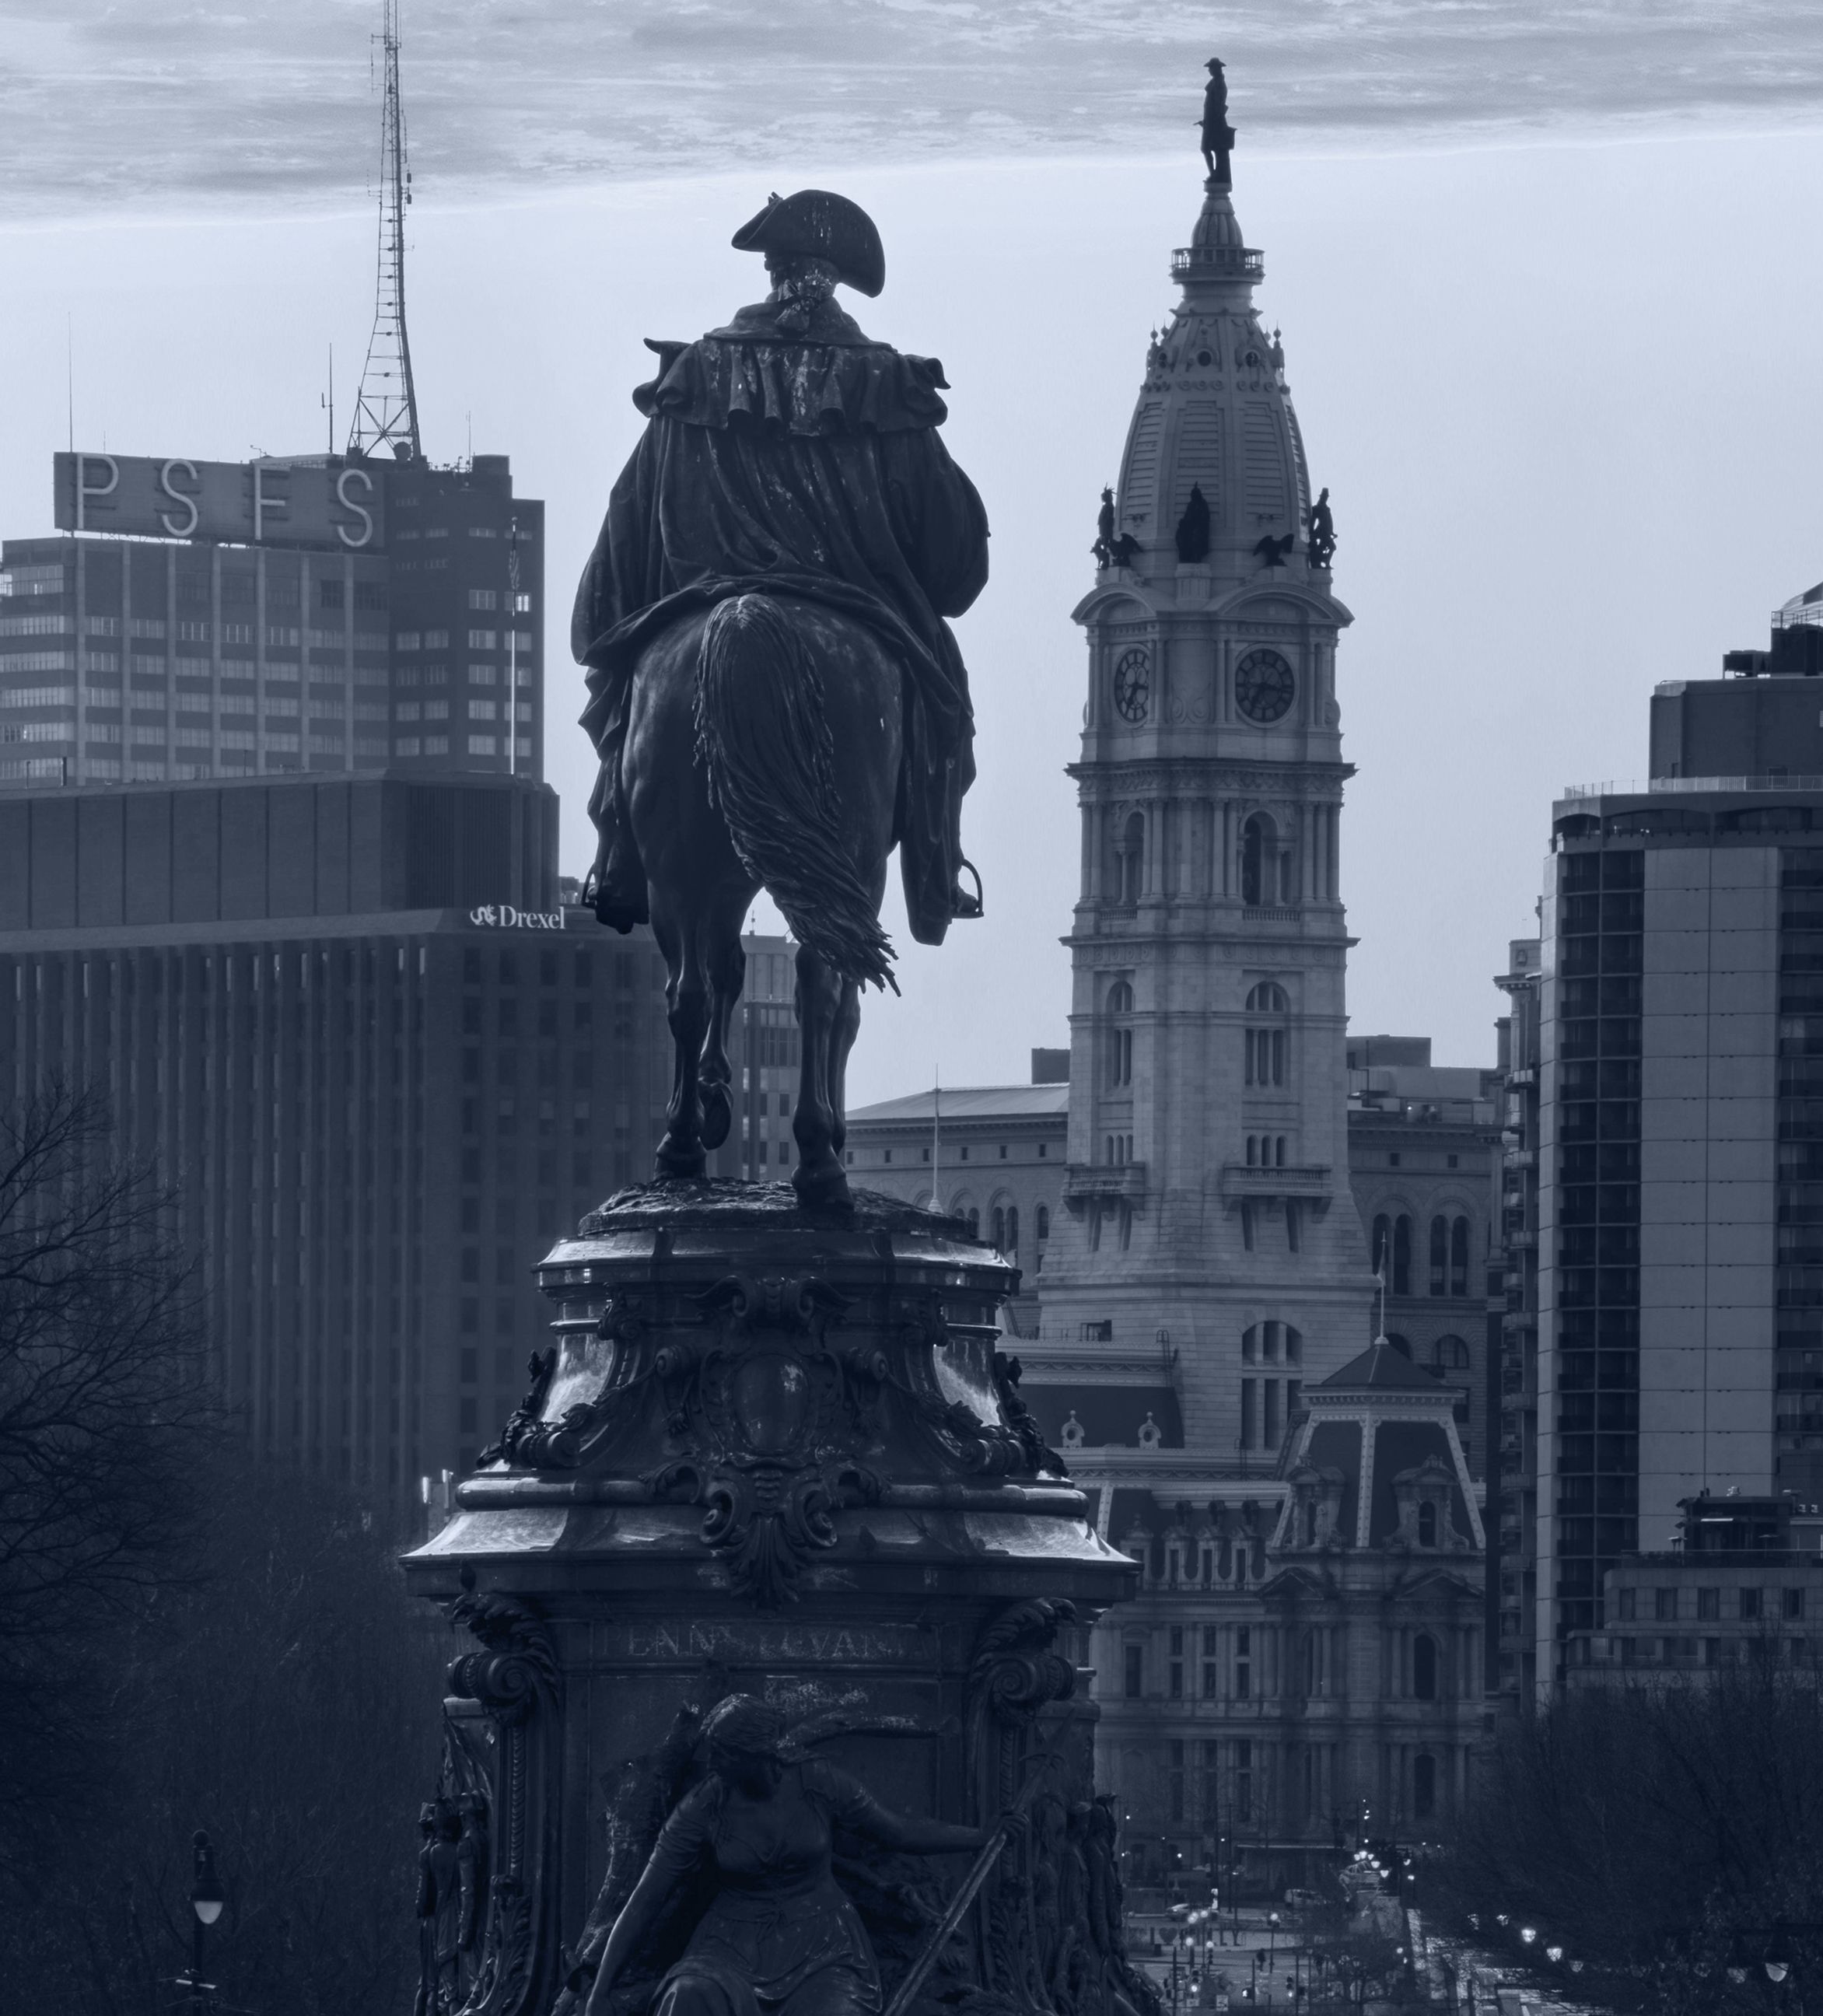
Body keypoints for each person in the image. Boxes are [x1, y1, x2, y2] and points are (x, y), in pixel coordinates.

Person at [572, 190, 990, 944]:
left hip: (702, 595)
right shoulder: (888, 384)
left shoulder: (694, 374)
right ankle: (937, 869)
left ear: (773, 273)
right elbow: (953, 560)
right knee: (943, 712)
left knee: (634, 694)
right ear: (834, 279)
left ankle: (618, 861)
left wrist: (611, 628)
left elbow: (625, 528)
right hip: (856, 605)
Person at [583, 1695, 988, 2016]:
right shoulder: (704, 1806)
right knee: (688, 1995)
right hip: (729, 1944)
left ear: (756, 1753)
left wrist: (981, 1837)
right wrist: (600, 1991)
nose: (712, 1763)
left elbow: (898, 1831)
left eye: (723, 1753)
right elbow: (645, 1900)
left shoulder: (818, 1782)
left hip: (823, 1943)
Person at [1199, 59, 1236, 184]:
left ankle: (1215, 174)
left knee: (1209, 148)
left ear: (1216, 69)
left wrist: (1210, 121)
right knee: (1209, 149)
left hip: (1215, 123)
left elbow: (1218, 106)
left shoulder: (1219, 84)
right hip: (1210, 122)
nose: (1209, 70)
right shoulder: (1215, 83)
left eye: (1211, 68)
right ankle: (1214, 174)